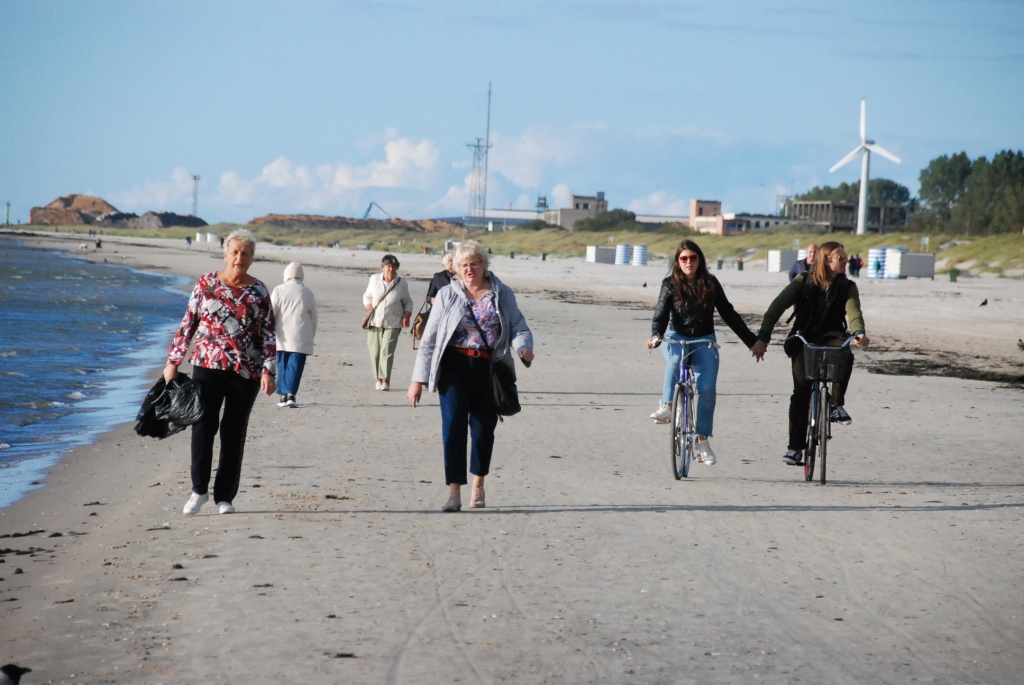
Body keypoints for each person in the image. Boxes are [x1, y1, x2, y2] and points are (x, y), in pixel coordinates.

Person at [407, 240, 534, 512]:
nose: (469, 270)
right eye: (463, 265)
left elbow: (519, 326)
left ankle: (478, 487)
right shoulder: (447, 295)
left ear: (484, 265)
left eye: (474, 264)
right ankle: (454, 493)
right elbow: (429, 340)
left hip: (488, 369)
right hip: (453, 367)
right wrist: (417, 380)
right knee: (452, 427)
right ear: (455, 267)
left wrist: (524, 347)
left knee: (482, 430)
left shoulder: (502, 293)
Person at [164, 228, 276, 516]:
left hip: (246, 372)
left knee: (233, 432)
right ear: (226, 255)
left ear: (252, 259)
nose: (240, 257)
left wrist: (268, 371)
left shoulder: (259, 291)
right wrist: (174, 361)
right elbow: (188, 323)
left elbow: (268, 334)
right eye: (235, 252)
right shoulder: (206, 284)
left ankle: (224, 497)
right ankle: (198, 490)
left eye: (246, 253)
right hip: (207, 367)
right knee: (203, 428)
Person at [751, 241, 869, 466]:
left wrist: (859, 333)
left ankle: (835, 404)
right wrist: (763, 338)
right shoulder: (802, 281)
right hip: (802, 337)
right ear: (827, 260)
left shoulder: (848, 286)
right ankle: (795, 448)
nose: (845, 261)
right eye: (840, 258)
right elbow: (776, 308)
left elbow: (854, 312)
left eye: (845, 257)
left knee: (845, 354)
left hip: (832, 335)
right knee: (801, 390)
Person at [646, 240, 759, 465]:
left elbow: (729, 314)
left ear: (700, 260)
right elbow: (660, 313)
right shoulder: (669, 284)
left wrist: (752, 341)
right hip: (677, 337)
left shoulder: (710, 283)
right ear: (677, 262)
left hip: (704, 340)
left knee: (707, 389)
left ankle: (702, 439)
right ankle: (666, 405)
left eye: (693, 258)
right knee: (675, 358)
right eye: (684, 258)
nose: (689, 262)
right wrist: (656, 335)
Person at [271, 262, 318, 409]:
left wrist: (270, 333)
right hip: (301, 335)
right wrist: (311, 336)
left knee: (282, 365)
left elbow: (271, 313)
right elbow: (314, 317)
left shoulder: (279, 290)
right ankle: (291, 395)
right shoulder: (307, 292)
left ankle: (283, 395)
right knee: (295, 365)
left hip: (282, 335)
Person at [363, 254, 412, 390]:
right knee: (375, 351)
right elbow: (367, 296)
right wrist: (368, 305)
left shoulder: (401, 283)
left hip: (394, 321)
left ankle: (386, 380)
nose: (390, 269)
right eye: (388, 266)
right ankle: (378, 379)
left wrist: (406, 315)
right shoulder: (374, 279)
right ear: (383, 267)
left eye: (393, 266)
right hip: (375, 320)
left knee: (387, 350)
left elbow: (407, 301)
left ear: (396, 268)